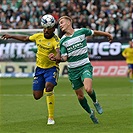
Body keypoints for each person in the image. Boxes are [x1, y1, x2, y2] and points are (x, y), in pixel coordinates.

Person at [49, 16, 113, 124]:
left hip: (84, 66)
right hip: (73, 71)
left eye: (62, 22)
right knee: (80, 96)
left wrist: (107, 34)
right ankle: (90, 112)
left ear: (69, 22)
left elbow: (94, 33)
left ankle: (95, 101)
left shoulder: (81, 32)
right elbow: (64, 58)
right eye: (59, 24)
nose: (60, 25)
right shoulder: (63, 41)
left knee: (88, 89)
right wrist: (55, 58)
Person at [1, 14, 60, 125]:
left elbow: (58, 52)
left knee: (49, 87)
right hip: (39, 69)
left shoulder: (55, 40)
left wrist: (56, 57)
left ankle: (51, 118)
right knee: (37, 96)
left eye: (48, 28)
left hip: (51, 68)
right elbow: (25, 38)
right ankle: (47, 90)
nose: (46, 30)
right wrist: (11, 36)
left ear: (53, 29)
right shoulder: (38, 36)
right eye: (44, 28)